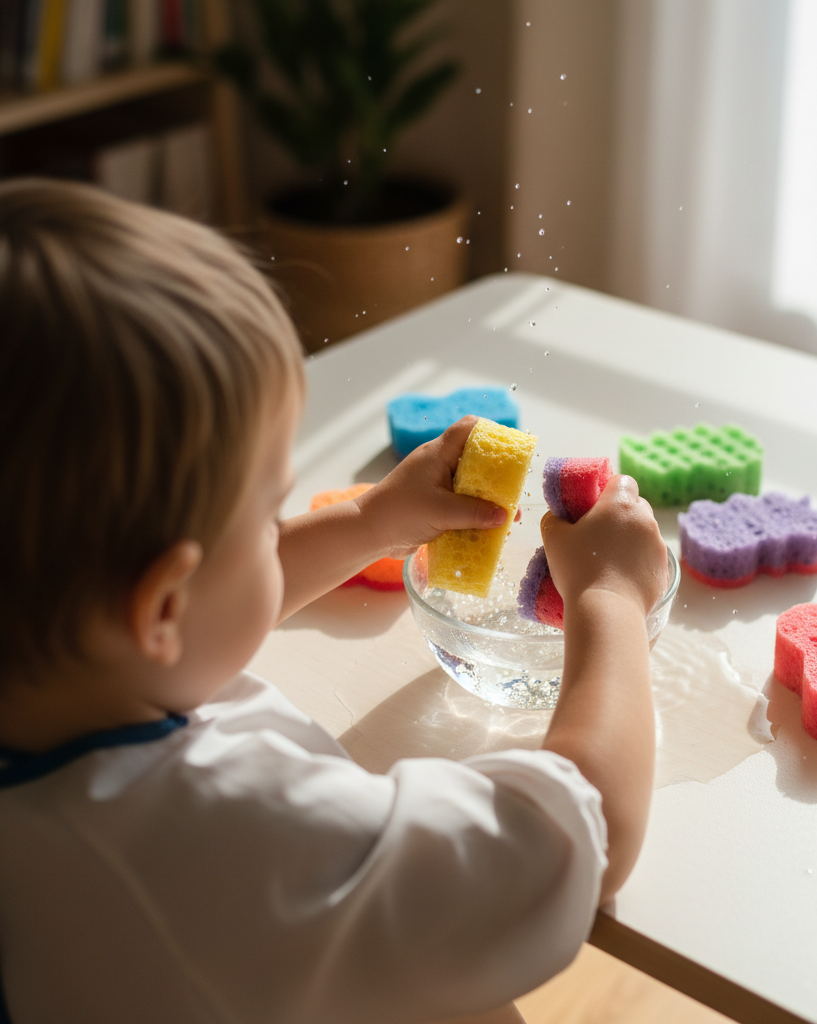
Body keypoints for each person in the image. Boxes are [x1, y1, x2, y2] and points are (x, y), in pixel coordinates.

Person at [0, 179, 668, 1024]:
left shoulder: (59, 688)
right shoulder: (244, 842)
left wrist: (368, 520)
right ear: (161, 607)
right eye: (263, 512)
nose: (279, 527)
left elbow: (199, 612)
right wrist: (611, 601)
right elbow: (583, 836)